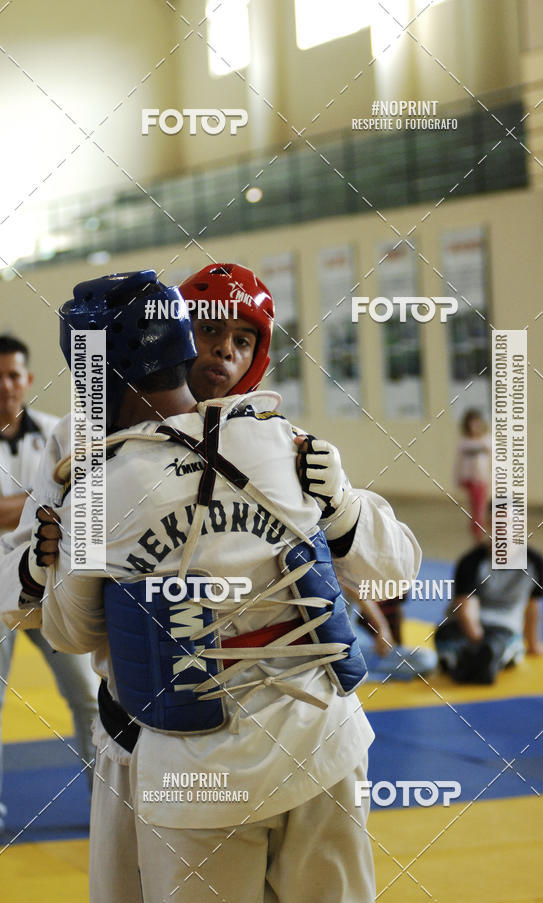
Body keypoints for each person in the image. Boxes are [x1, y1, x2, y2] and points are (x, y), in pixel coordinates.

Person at [9, 265, 421, 901]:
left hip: (196, 763)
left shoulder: (283, 444)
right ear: (178, 338)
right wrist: (33, 568)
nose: (222, 351)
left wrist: (341, 506)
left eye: (242, 339)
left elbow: (70, 628)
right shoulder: (275, 442)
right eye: (206, 331)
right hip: (303, 741)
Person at [0, 335, 97, 836]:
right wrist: (41, 497)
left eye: (13, 375)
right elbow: (54, 500)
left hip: (50, 582)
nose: (6, 386)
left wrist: (41, 501)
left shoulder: (57, 432)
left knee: (88, 691)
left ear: (28, 380)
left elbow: (76, 499)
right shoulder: (59, 448)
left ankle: (108, 798)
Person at [435, 527, 543, 684]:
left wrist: (533, 645)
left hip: (503, 630)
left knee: (498, 645)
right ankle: (475, 660)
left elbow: (533, 605)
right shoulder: (471, 561)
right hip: (461, 628)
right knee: (450, 640)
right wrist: (479, 642)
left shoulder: (535, 562)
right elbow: (466, 610)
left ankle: (480, 660)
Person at [454, 408, 491, 540]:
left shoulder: (486, 440)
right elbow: (458, 461)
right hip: (469, 479)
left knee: (480, 506)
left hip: (481, 479)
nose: (475, 427)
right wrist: (457, 477)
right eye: (472, 424)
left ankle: (479, 529)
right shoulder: (464, 442)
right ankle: (477, 530)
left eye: (477, 424)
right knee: (475, 507)